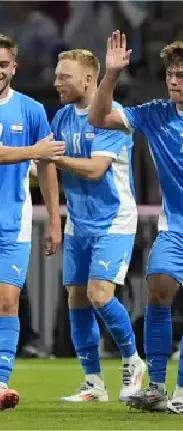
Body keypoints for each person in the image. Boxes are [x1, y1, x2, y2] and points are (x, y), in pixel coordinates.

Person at [88, 32, 183, 411]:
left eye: (181, 74)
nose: (173, 80)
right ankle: (158, 386)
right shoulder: (155, 113)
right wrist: (110, 75)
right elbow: (98, 115)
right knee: (157, 291)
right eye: (169, 74)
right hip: (177, 227)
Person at [50, 49, 145, 402]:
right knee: (76, 298)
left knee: (99, 294)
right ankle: (93, 382)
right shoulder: (60, 117)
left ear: (89, 79)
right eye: (57, 76)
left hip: (114, 221)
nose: (56, 82)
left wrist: (52, 158)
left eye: (64, 77)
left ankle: (133, 361)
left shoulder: (111, 117)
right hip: (78, 221)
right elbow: (46, 162)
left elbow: (93, 169)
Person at [0, 33, 64, 410]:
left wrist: (55, 221)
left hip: (13, 221)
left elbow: (47, 167)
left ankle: (1, 380)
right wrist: (34, 150)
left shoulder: (31, 110)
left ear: (14, 67)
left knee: (8, 300)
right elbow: (34, 154)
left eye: (3, 64)